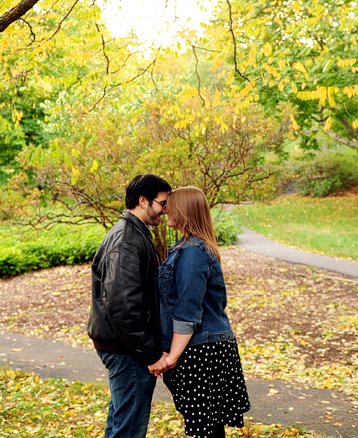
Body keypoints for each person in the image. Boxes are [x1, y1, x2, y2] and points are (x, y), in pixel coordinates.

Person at [159, 186, 250, 438]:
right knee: (208, 427)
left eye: (170, 205)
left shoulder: (192, 253)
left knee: (204, 429)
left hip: (202, 350)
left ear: (184, 211)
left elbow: (188, 310)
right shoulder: (186, 248)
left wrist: (171, 357)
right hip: (204, 347)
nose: (165, 209)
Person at [88, 173, 173, 438]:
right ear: (143, 201)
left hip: (126, 346)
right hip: (128, 349)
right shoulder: (127, 240)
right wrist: (151, 354)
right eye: (162, 204)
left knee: (121, 423)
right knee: (129, 429)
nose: (165, 211)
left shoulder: (135, 234)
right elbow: (123, 305)